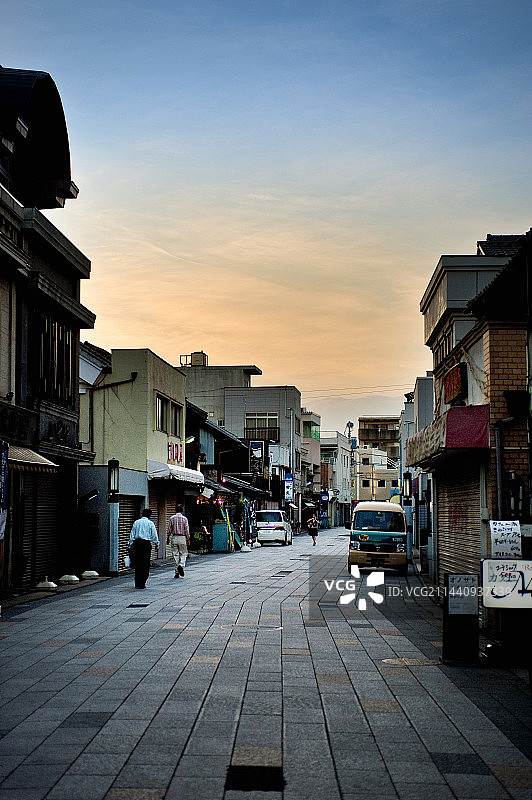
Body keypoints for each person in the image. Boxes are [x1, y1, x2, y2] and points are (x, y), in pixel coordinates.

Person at [129, 509, 159, 589]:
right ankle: (143, 582)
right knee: (145, 563)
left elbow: (132, 534)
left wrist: (130, 544)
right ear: (149, 515)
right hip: (146, 544)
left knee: (138, 563)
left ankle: (137, 582)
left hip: (137, 544)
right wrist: (157, 544)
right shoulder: (150, 523)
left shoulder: (136, 522)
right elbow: (154, 535)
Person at [167, 504, 190, 578]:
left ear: (175, 510)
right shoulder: (184, 519)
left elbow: (169, 529)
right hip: (182, 537)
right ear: (182, 510)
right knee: (183, 553)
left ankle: (176, 572)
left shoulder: (171, 518)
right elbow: (186, 530)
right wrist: (188, 538)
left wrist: (168, 537)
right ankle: (181, 565)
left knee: (175, 555)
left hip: (174, 537)